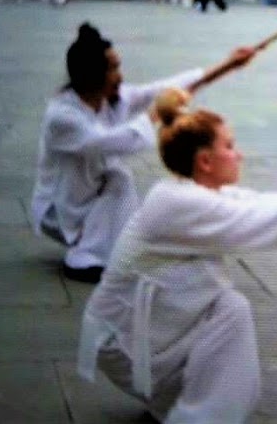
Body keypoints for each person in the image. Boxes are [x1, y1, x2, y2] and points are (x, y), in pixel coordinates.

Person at [77, 88, 277, 423]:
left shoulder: (191, 195)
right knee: (231, 310)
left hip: (142, 337)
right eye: (230, 147)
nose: (240, 155)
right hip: (124, 345)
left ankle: (183, 407)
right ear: (205, 161)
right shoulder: (178, 205)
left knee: (225, 309)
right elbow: (276, 218)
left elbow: (271, 205)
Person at [29, 23, 258, 284]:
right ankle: (83, 257)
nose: (120, 75)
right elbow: (116, 142)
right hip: (60, 209)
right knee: (116, 175)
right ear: (92, 75)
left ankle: (107, 250)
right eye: (113, 68)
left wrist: (229, 65)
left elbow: (164, 89)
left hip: (86, 198)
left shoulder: (108, 100)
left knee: (118, 178)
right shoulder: (63, 117)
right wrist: (156, 113)